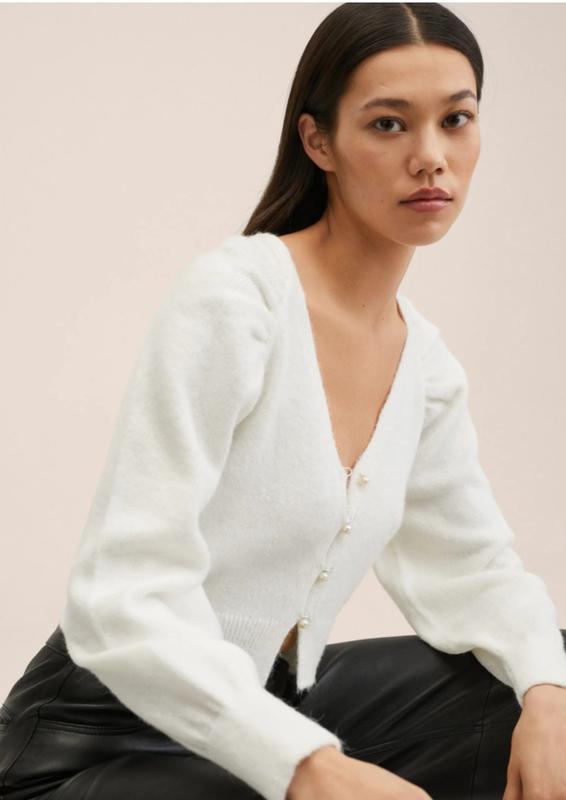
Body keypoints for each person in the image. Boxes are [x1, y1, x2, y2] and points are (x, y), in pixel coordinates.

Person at [2, 3, 566, 800]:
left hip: (270, 711)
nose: (431, 158)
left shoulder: (425, 366)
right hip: (94, 744)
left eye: (456, 119)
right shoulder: (237, 303)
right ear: (318, 141)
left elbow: (473, 571)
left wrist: (547, 694)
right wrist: (308, 766)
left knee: (540, 672)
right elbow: (118, 600)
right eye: (388, 124)